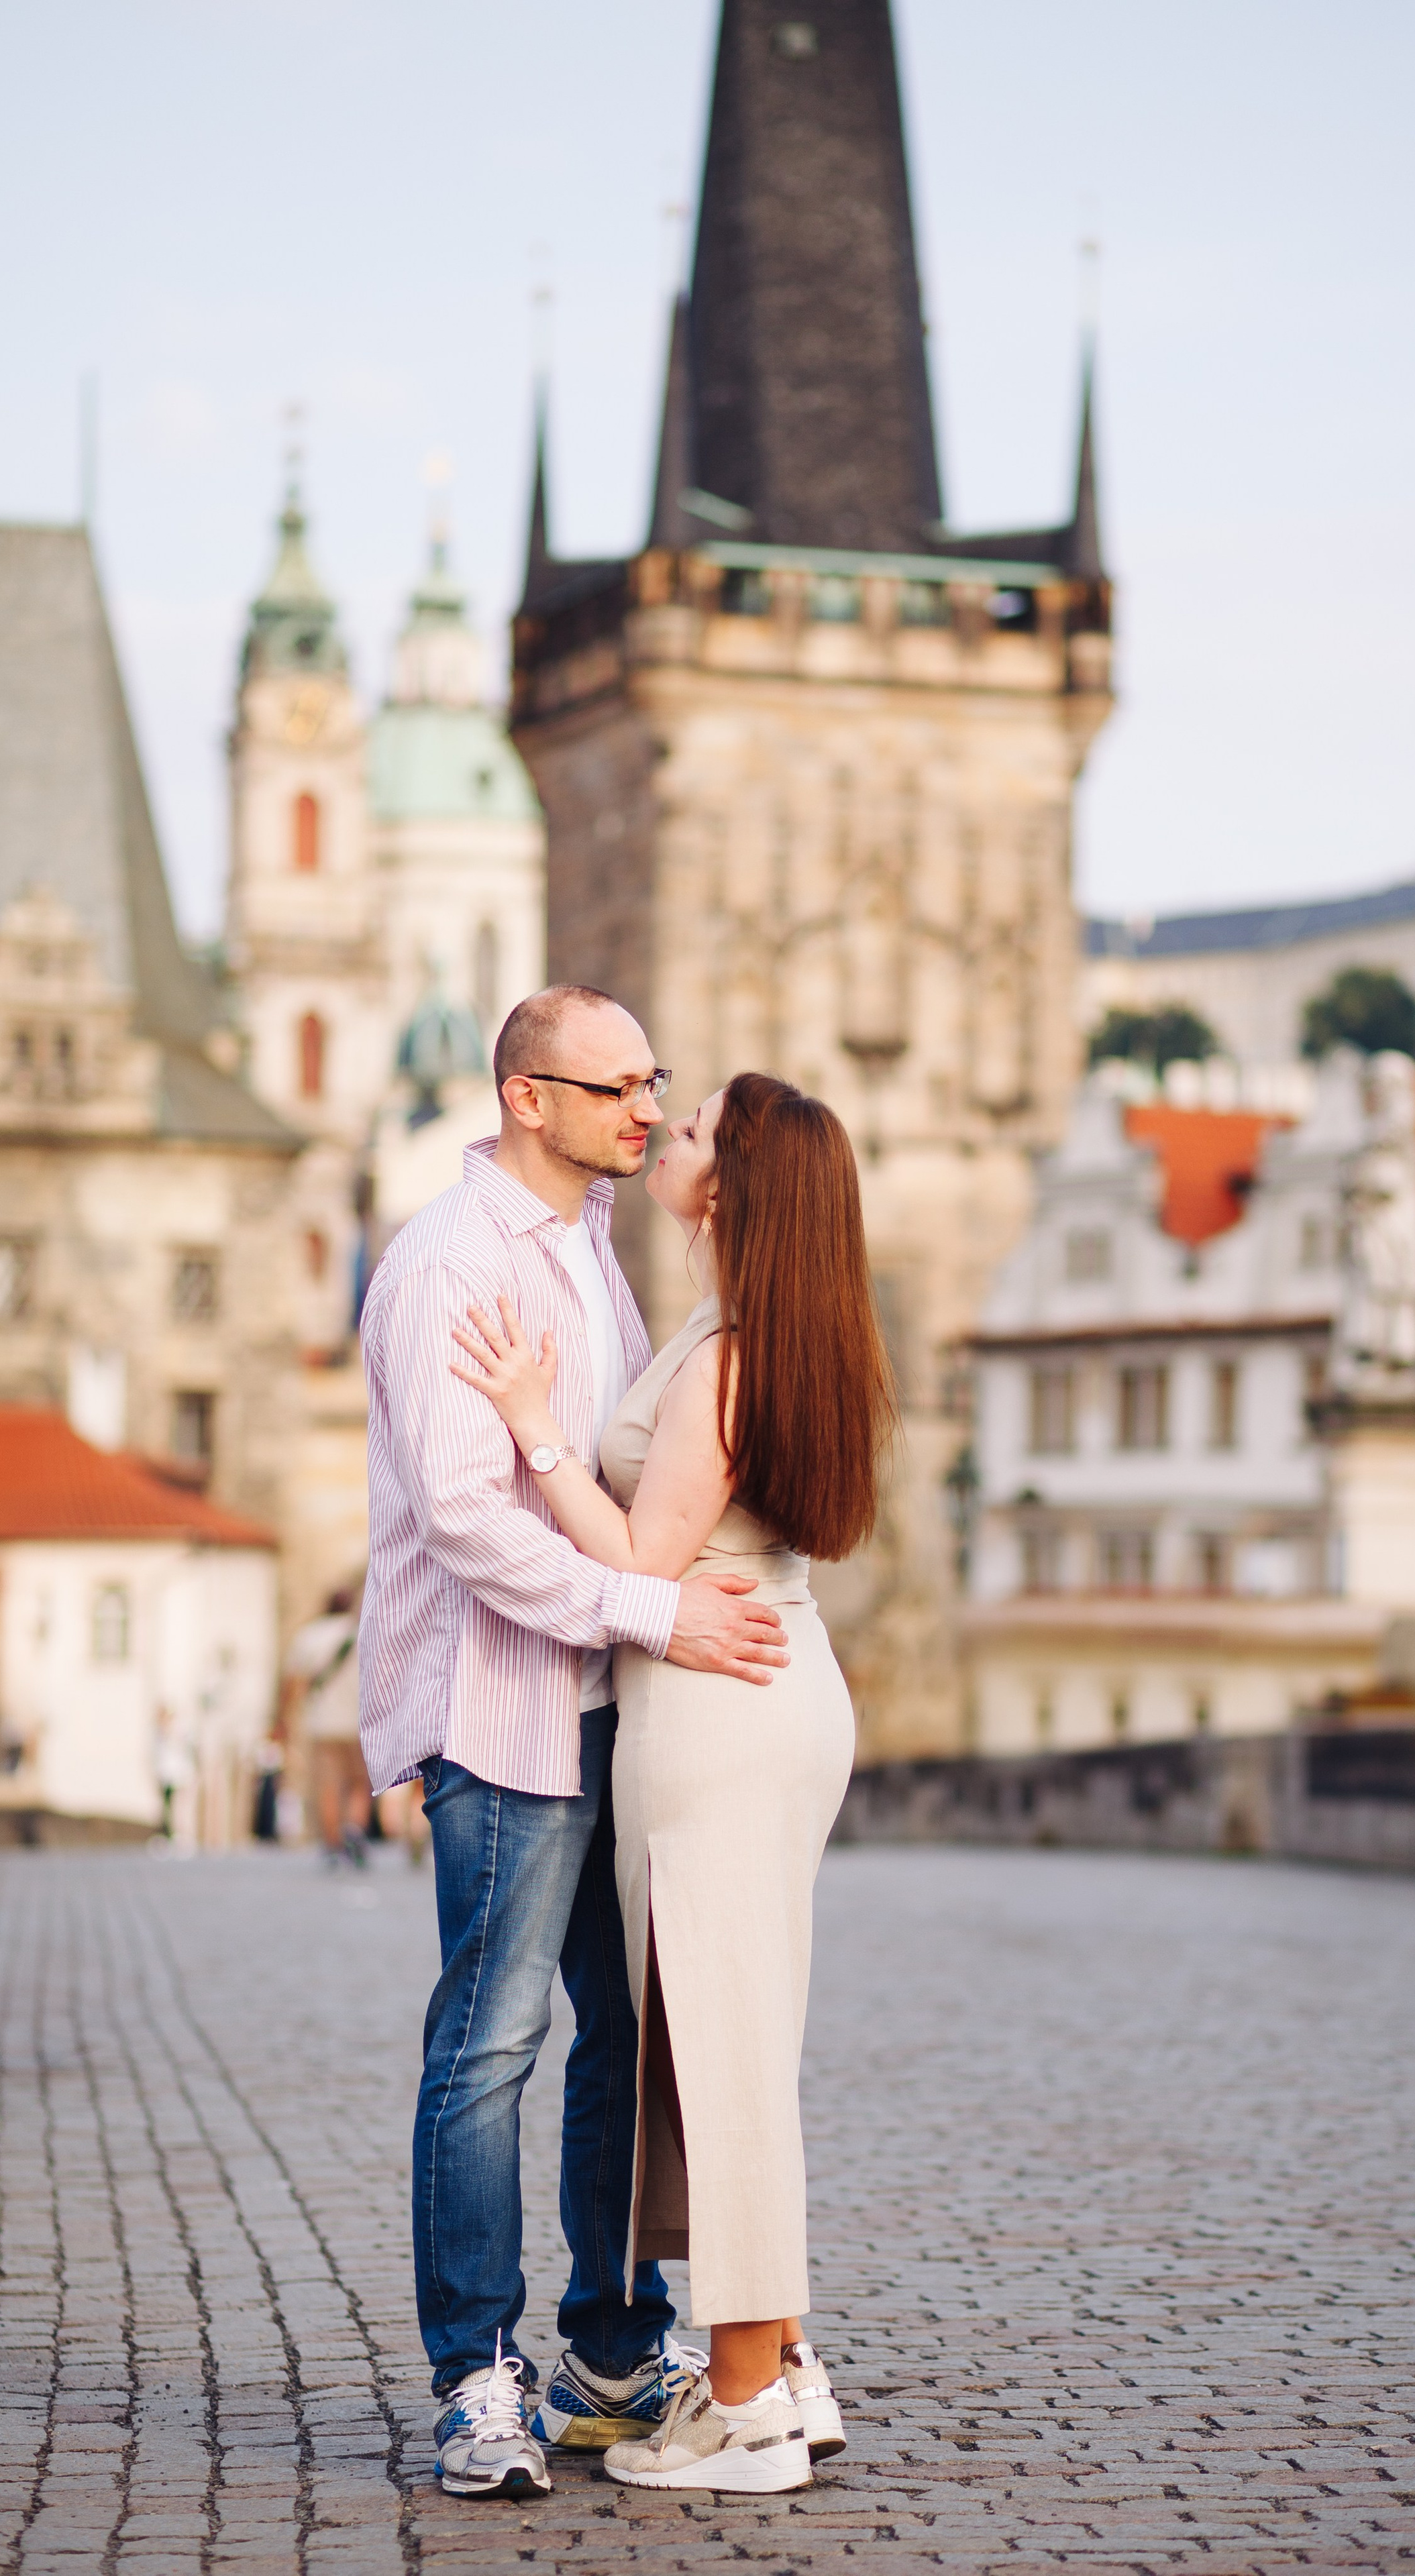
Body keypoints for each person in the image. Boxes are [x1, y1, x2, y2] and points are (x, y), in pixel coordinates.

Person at [356, 985, 792, 2503]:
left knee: (627, 2033)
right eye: (613, 1087)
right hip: (500, 1707)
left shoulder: (594, 1255)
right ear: (525, 1098)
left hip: (616, 1707)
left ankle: (612, 2346)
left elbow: (617, 1470)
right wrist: (651, 1608)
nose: (643, 1108)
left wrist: (652, 1613)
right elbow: (471, 1521)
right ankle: (478, 2373)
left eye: (649, 1082)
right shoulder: (442, 1266)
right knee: (488, 2043)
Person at [450, 1068, 897, 2495]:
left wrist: (529, 1425)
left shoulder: (723, 1353)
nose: (666, 1128)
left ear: (735, 1187)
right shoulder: (745, 1329)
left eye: (694, 1127)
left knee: (717, 2052)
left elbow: (636, 1567)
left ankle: (748, 2405)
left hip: (712, 1710)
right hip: (763, 1693)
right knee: (722, 2038)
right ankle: (781, 2364)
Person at [280, 1583, 372, 1864]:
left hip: (323, 1725)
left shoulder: (310, 1636)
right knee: (360, 1784)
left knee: (328, 1786)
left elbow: (293, 1683)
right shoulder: (363, 1632)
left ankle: (332, 1845)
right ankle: (354, 1828)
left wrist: (284, 1719)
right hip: (360, 1722)